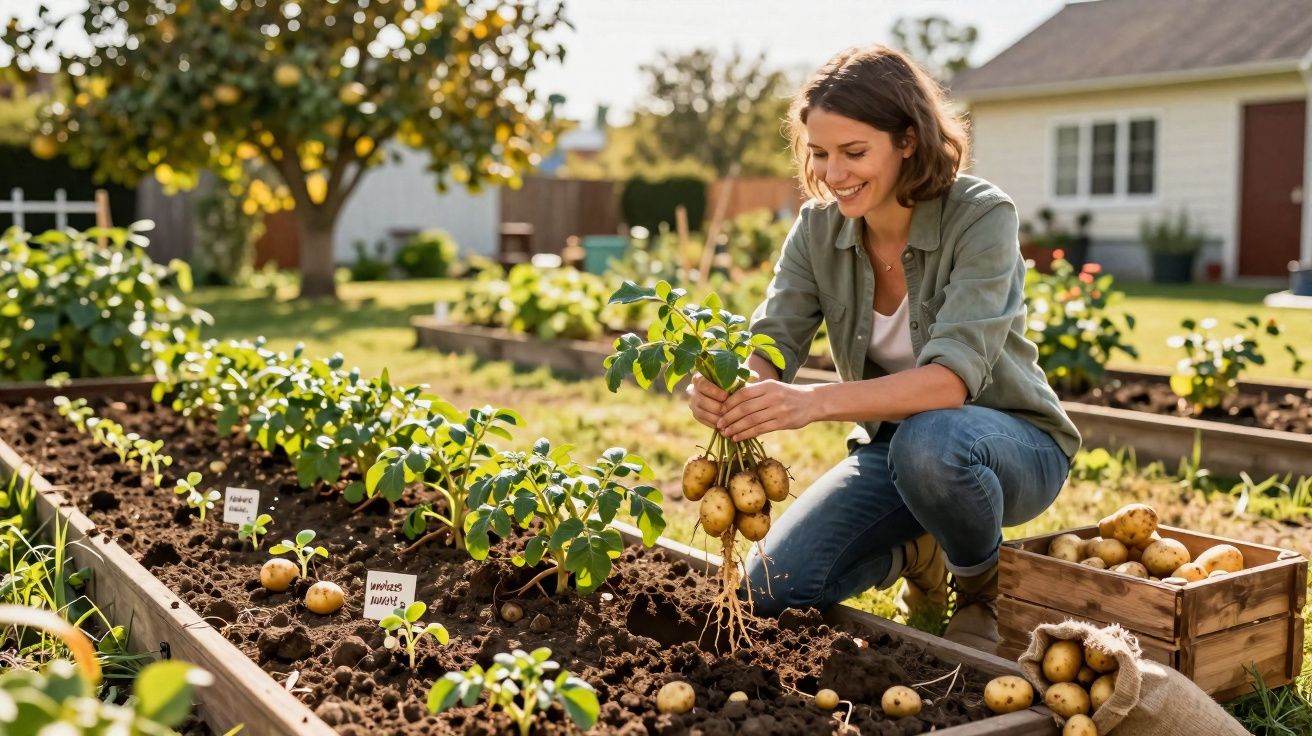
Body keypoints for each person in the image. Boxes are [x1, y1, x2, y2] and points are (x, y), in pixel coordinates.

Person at [686, 45, 1080, 653]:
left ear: (908, 141)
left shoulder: (981, 217)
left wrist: (810, 403)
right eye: (818, 153)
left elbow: (949, 383)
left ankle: (981, 588)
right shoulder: (818, 229)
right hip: (894, 451)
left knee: (932, 440)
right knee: (770, 590)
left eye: (853, 152)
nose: (832, 173)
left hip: (1007, 446)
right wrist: (732, 383)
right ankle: (917, 555)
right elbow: (773, 339)